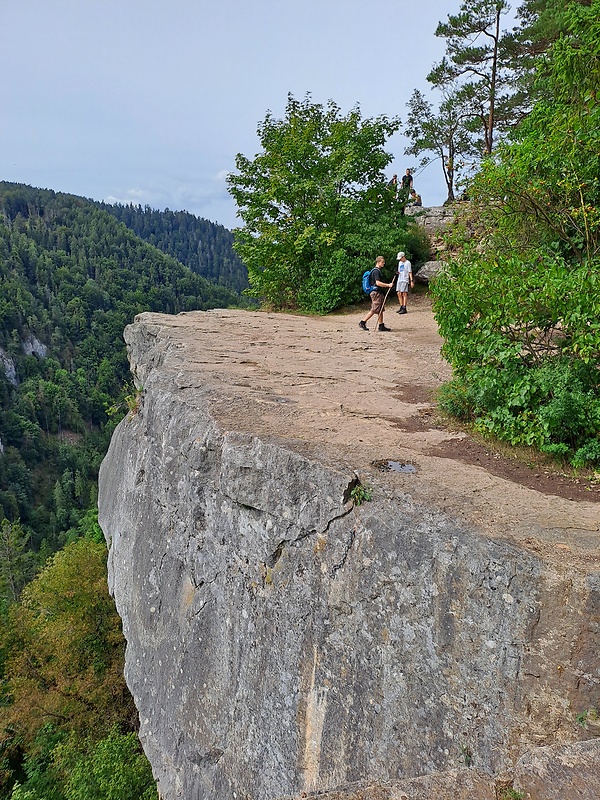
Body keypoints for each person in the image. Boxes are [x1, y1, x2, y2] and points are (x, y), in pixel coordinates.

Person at [359, 256, 394, 332]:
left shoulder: (376, 271)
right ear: (378, 262)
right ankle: (363, 322)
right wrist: (388, 285)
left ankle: (381, 326)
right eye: (382, 262)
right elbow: (377, 283)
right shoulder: (376, 271)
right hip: (376, 293)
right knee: (374, 309)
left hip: (378, 292)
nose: (384, 263)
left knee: (380, 309)